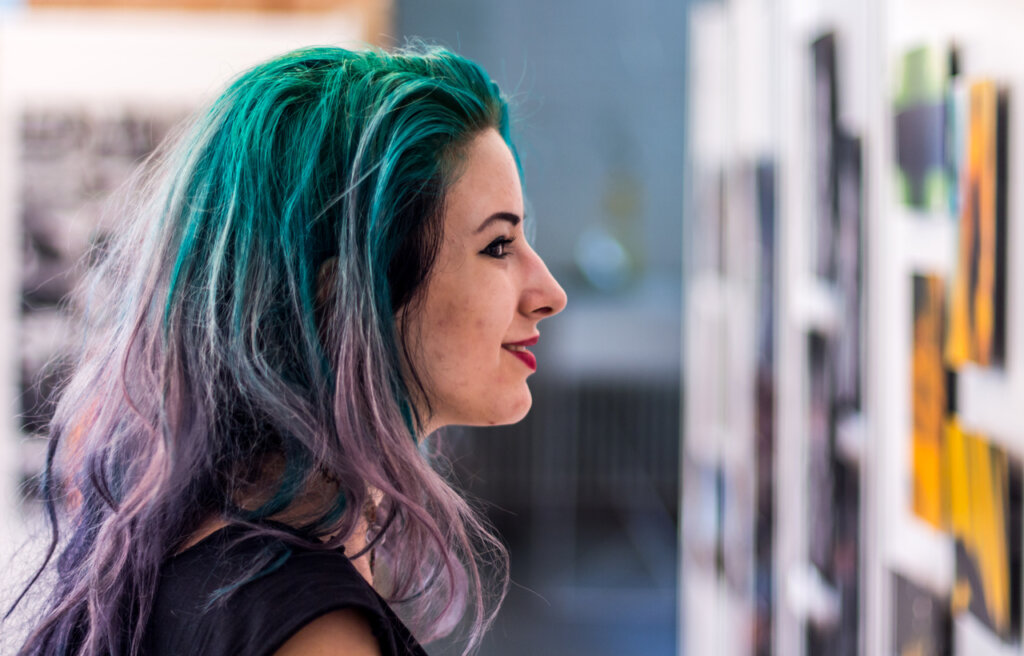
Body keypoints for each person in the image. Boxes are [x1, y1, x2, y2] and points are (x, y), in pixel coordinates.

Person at [10, 44, 566, 656]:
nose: (549, 293)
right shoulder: (314, 634)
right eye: (497, 246)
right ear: (342, 301)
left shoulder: (184, 555)